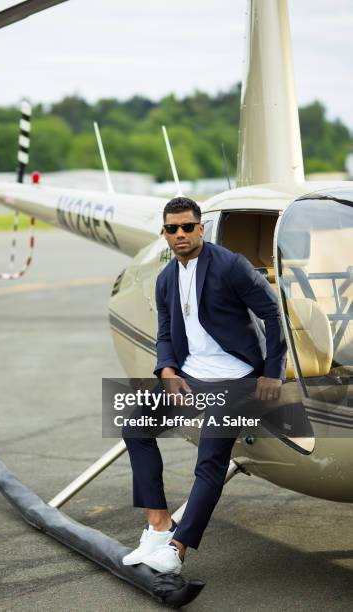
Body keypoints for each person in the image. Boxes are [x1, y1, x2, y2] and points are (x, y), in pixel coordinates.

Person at [121, 196, 287, 574]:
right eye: (171, 229)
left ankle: (177, 551)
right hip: (189, 376)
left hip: (235, 378)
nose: (180, 234)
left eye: (186, 227)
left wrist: (272, 372)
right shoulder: (166, 278)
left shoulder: (231, 266)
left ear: (200, 228)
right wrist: (166, 369)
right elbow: (166, 331)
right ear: (164, 234)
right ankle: (159, 527)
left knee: (209, 461)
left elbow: (272, 314)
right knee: (135, 426)